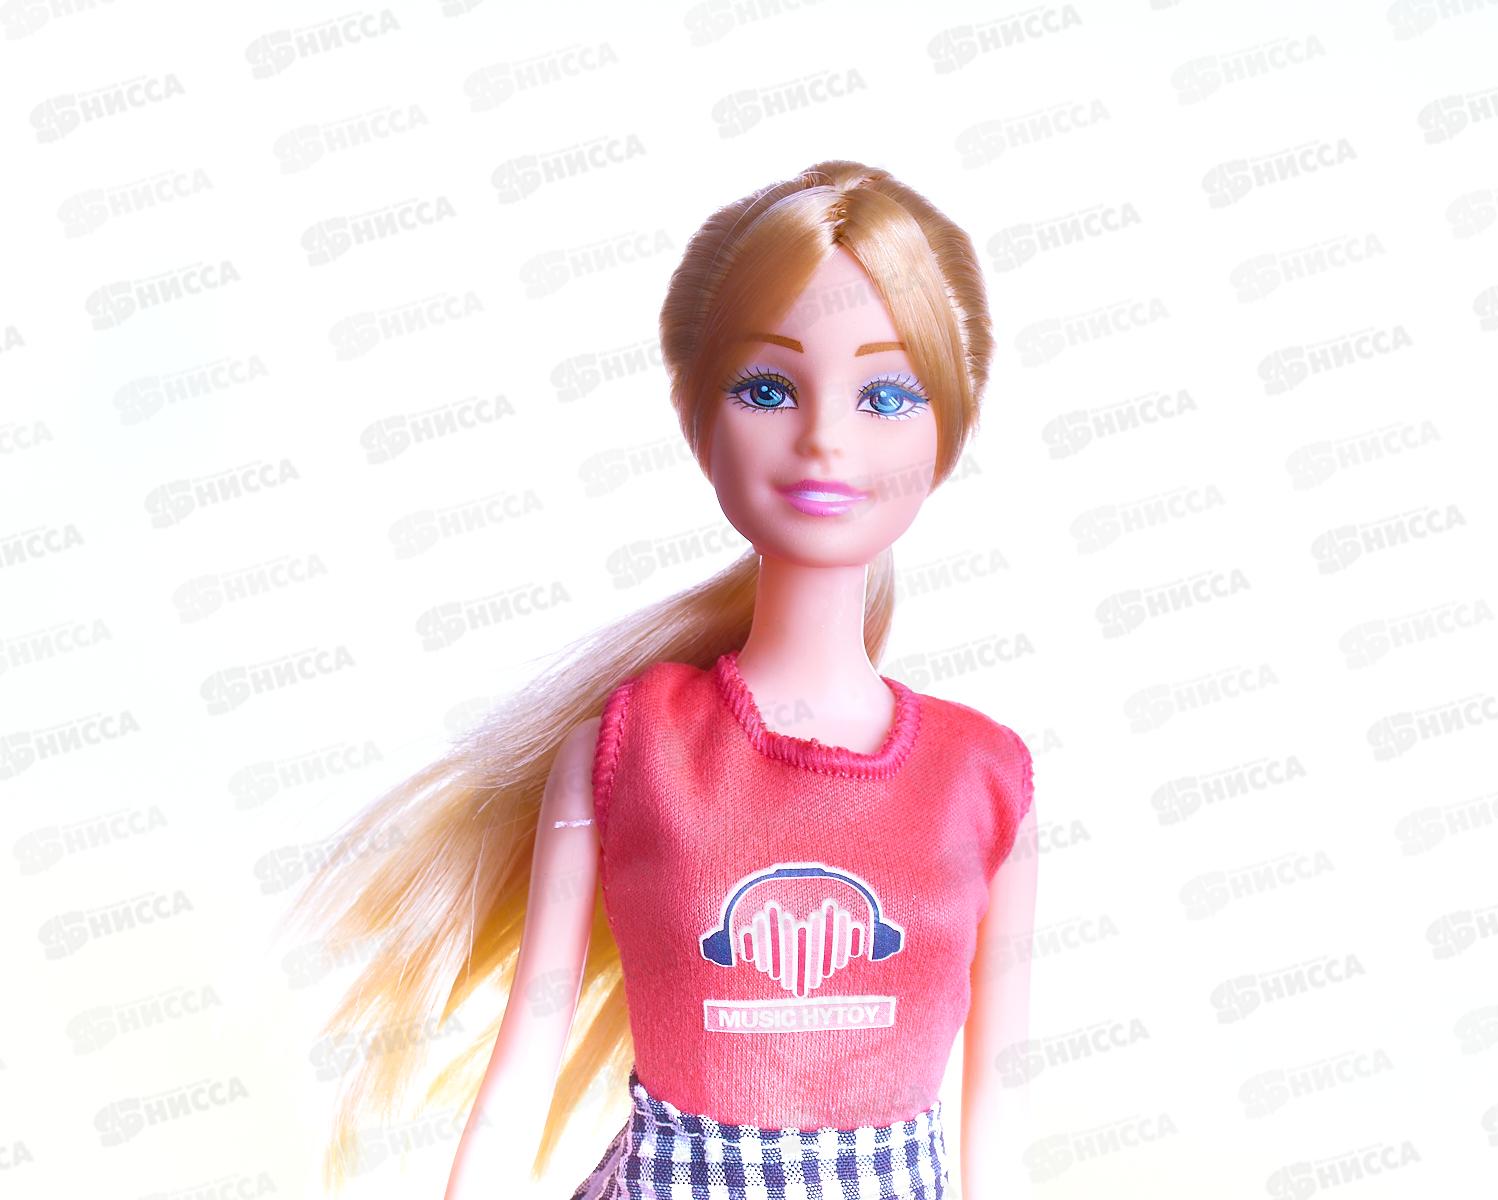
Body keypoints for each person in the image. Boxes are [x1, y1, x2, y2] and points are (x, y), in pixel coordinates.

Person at [282, 160, 1038, 1199]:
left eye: (887, 396)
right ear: (695, 418)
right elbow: (520, 1074)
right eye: (767, 389)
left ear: (946, 432)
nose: (824, 437)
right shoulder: (636, 748)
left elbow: (999, 1108)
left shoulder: (980, 777)